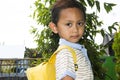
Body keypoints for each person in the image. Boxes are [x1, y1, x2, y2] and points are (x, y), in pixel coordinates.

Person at [49, 0, 93, 80]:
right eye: (69, 24)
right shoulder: (66, 53)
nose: (75, 30)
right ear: (54, 27)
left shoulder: (75, 50)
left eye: (79, 23)